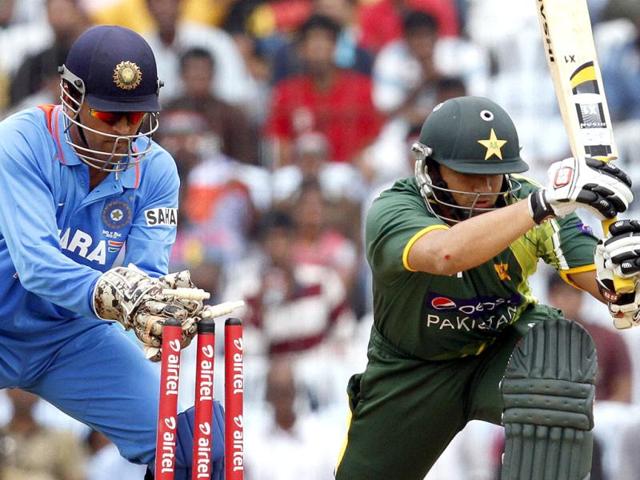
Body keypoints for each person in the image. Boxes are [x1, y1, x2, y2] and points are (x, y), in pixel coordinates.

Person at [334, 96, 639, 480]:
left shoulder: (529, 201)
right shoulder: (393, 207)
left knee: (555, 358)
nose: (485, 188)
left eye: (495, 175)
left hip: (503, 347)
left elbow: (610, 292)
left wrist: (625, 273)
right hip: (411, 368)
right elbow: (445, 254)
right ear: (431, 168)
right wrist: (540, 205)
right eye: (469, 174)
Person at [0, 25, 231, 479]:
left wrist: (156, 317)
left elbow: (144, 275)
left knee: (195, 447)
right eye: (109, 117)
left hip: (69, 338)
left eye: (138, 118)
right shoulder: (22, 140)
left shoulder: (157, 170)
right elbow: (35, 265)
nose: (125, 133)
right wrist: (114, 293)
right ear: (71, 98)